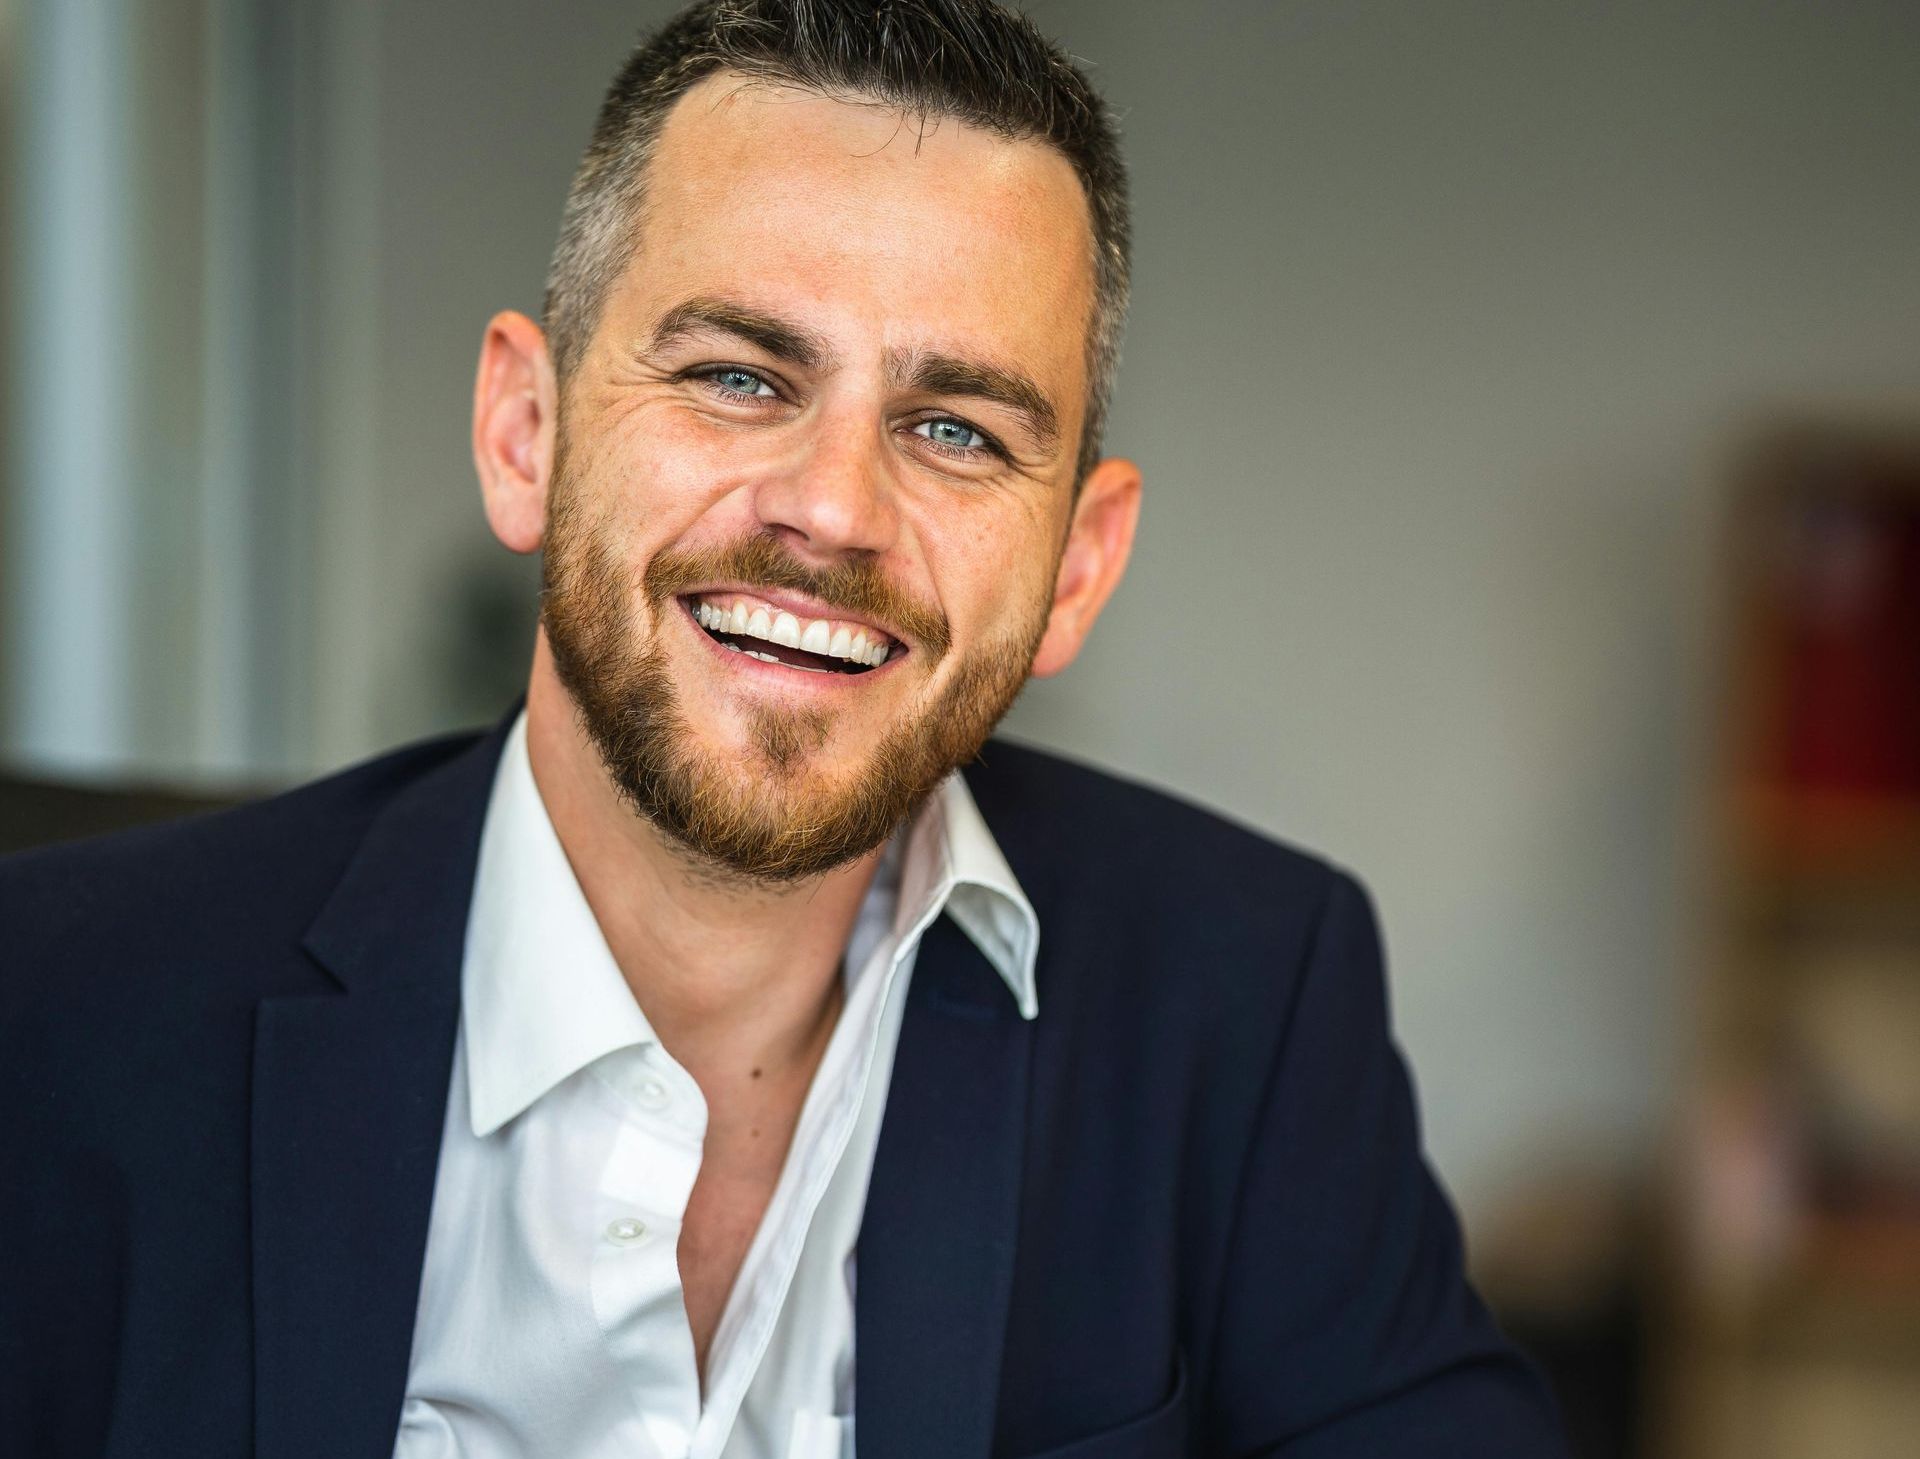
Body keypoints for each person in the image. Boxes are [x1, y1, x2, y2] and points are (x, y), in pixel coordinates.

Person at [0, 2, 1569, 1456]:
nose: (832, 508)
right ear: (525, 434)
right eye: (742, 376)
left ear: (1079, 567)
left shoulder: (1245, 1005)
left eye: (954, 429)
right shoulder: (57, 1011)